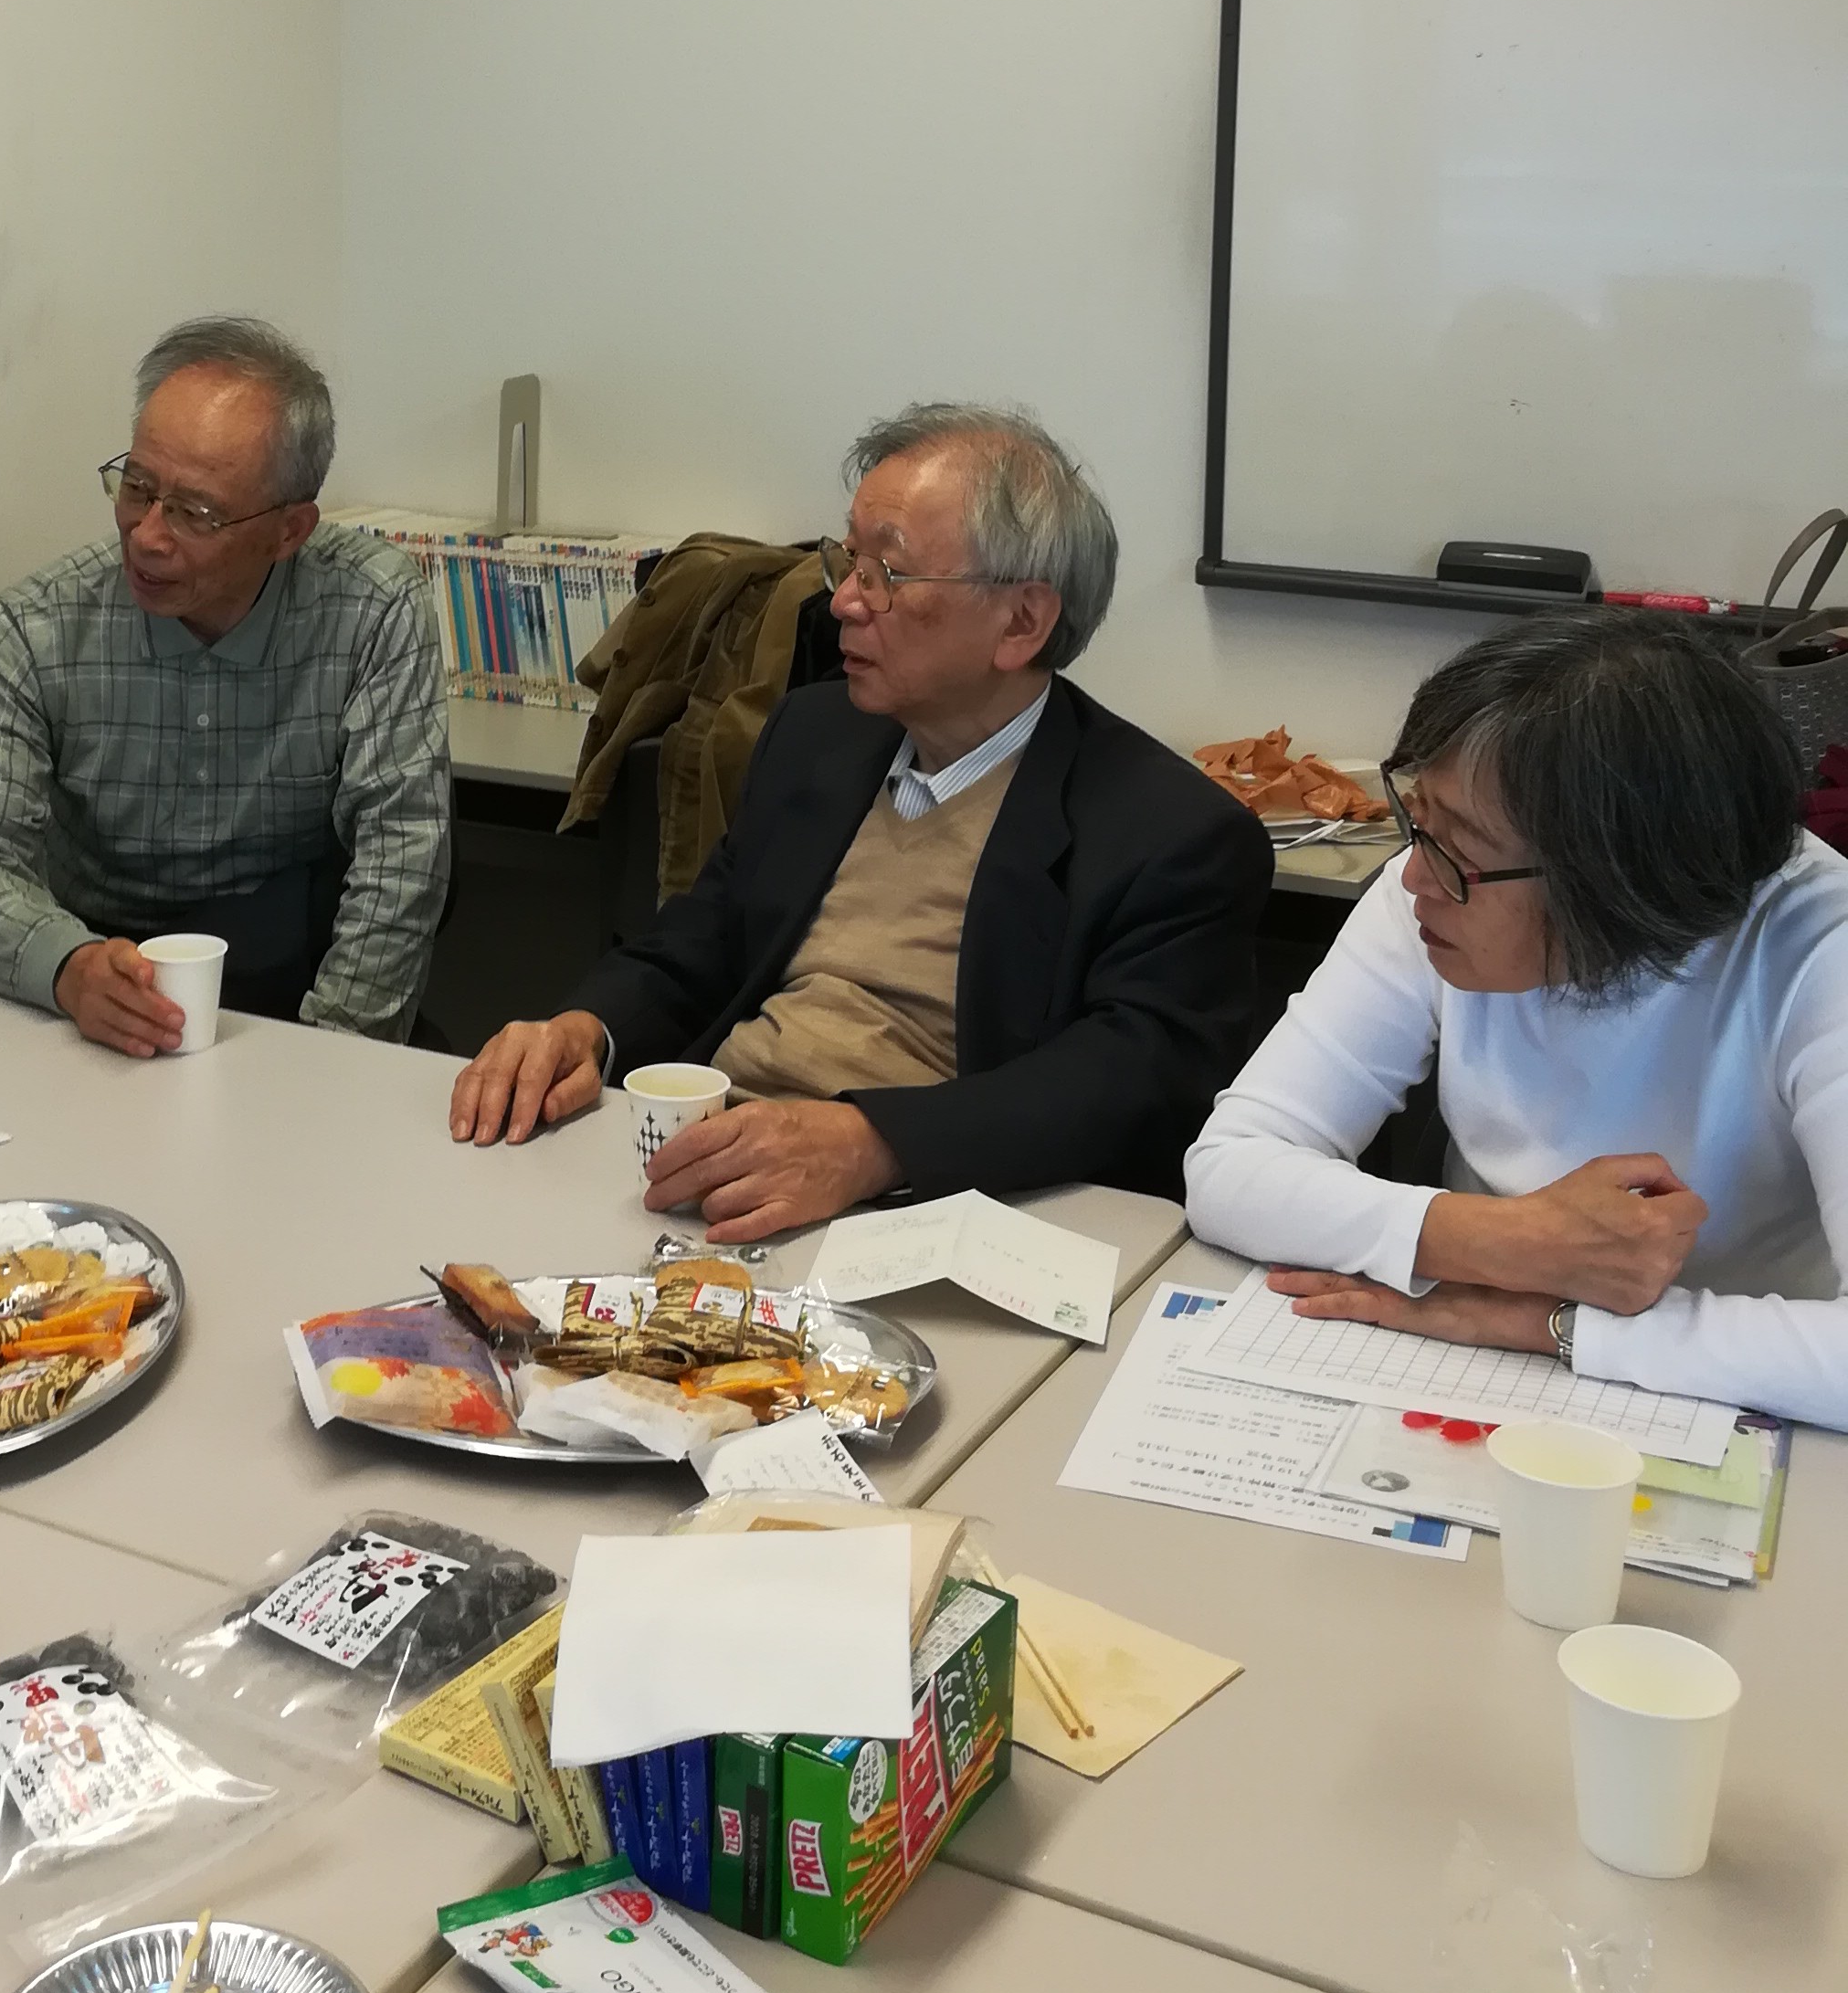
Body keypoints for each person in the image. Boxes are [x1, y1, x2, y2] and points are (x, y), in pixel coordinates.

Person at [449, 404, 1273, 1238]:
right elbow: (705, 938)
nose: (843, 600)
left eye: (888, 573)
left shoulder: (1168, 831)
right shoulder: (819, 735)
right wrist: (586, 1029)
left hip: (923, 1209)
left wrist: (875, 1143)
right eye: (848, 559)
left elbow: (1131, 1084)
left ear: (1022, 621)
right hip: (717, 1162)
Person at [1186, 608, 1848, 1429]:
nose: (1412, 877)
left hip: (1753, 1407)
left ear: (1617, 882)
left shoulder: (1820, 946)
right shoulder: (1431, 888)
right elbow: (1230, 1168)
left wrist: (1551, 1323)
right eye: (1419, 820)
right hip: (1473, 1362)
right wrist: (1504, 1239)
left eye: (1457, 848)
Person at [0, 316, 450, 1049]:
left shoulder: (372, 610)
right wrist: (66, 967)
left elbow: (402, 858)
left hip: (293, 969)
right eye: (136, 487)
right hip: (99, 966)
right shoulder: (34, 631)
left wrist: (333, 1051)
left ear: (290, 531)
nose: (147, 535)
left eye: (195, 513)